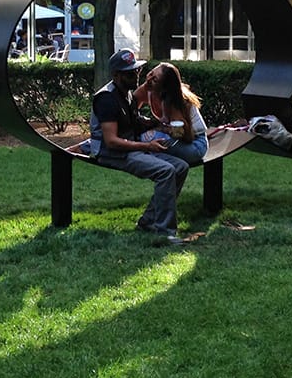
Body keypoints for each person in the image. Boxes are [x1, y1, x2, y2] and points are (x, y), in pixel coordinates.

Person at [89, 49, 190, 244]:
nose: (136, 75)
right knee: (166, 171)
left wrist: (158, 125)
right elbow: (111, 141)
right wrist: (147, 146)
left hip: (130, 147)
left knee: (180, 167)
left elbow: (133, 121)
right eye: (130, 73)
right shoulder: (106, 99)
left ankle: (148, 221)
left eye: (137, 70)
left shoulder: (126, 93)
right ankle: (165, 233)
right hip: (111, 152)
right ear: (116, 75)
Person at [135, 62, 209, 165]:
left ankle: (158, 161)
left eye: (155, 80)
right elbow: (131, 109)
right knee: (142, 137)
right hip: (177, 139)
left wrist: (160, 127)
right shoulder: (147, 88)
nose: (149, 80)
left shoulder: (174, 102)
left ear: (164, 88)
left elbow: (183, 136)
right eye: (151, 73)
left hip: (195, 145)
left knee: (148, 138)